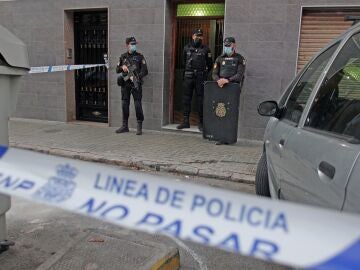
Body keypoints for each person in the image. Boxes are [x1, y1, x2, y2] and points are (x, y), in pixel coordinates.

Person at [177, 29, 213, 131]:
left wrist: (203, 73)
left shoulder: (206, 49)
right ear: (192, 36)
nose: (199, 38)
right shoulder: (186, 48)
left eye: (201, 36)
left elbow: (210, 64)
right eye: (197, 36)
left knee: (200, 99)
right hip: (188, 76)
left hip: (200, 77)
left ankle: (201, 122)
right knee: (186, 99)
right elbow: (183, 62)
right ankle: (185, 121)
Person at [212, 37, 246, 145]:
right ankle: (221, 137)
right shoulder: (219, 58)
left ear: (234, 45)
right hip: (221, 88)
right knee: (221, 112)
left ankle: (230, 137)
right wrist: (218, 80)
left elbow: (239, 75)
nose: (227, 47)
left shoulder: (240, 58)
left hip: (233, 89)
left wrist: (227, 80)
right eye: (225, 46)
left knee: (231, 113)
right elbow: (214, 73)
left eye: (229, 45)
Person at [116, 37, 148, 135]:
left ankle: (139, 126)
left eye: (135, 44)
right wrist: (122, 67)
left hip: (136, 83)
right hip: (125, 84)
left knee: (137, 104)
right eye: (132, 44)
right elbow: (117, 69)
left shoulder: (140, 56)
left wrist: (137, 77)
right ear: (127, 45)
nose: (134, 46)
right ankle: (125, 126)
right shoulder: (123, 56)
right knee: (125, 104)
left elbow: (145, 70)